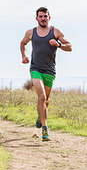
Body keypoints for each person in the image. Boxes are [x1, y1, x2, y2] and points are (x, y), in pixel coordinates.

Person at [20, 7, 72, 141]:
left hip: (50, 71)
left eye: (45, 16)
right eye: (40, 16)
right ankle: (45, 130)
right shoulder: (31, 32)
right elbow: (23, 43)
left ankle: (40, 115)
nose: (43, 18)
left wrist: (59, 44)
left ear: (49, 17)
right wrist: (24, 56)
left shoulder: (56, 31)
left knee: (45, 101)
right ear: (36, 18)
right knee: (42, 97)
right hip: (35, 69)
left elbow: (70, 47)